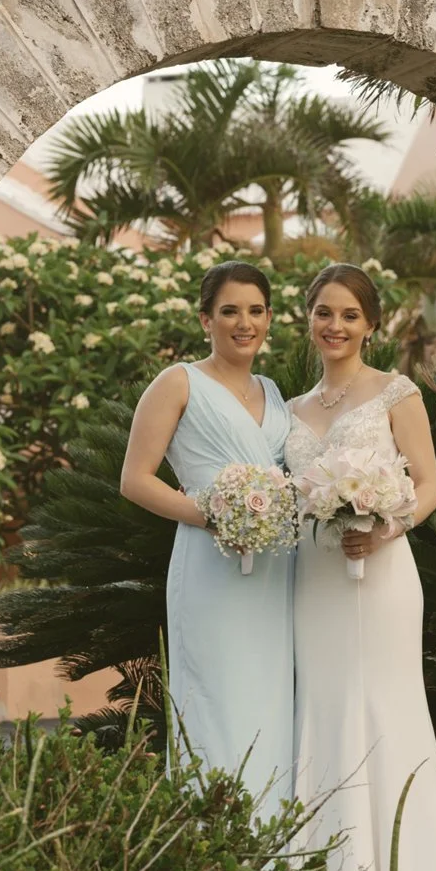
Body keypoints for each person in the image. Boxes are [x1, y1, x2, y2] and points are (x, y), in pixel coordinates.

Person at [286, 263, 436, 871]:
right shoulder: (290, 409)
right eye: (324, 312)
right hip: (314, 579)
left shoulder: (397, 392)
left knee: (384, 707)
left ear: (371, 324)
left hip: (381, 573)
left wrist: (385, 527)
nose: (335, 325)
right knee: (322, 708)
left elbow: (430, 484)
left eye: (349, 315)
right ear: (307, 317)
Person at [118, 261, 294, 805]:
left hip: (275, 572)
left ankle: (274, 858)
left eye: (256, 311)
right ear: (205, 320)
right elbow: (134, 480)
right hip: (209, 567)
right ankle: (212, 854)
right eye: (230, 311)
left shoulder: (273, 390)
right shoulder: (178, 381)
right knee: (216, 698)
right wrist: (215, 515)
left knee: (270, 704)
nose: (245, 323)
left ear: (269, 318)